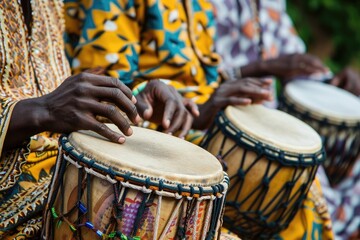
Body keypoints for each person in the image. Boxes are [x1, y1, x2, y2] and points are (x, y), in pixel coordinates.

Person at [63, 1, 334, 239]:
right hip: (152, 128)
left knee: (300, 189)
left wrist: (225, 94)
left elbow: (204, 76)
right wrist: (199, 111)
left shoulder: (201, 4)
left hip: (198, 119)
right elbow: (101, 88)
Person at [0, 1, 198, 238]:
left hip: (67, 171)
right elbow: (52, 104)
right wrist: (43, 110)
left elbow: (61, 93)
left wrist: (133, 102)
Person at [211, 0, 359, 239]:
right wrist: (264, 66)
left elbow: (294, 60)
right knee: (307, 188)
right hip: (225, 122)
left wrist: (331, 82)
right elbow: (197, 76)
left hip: (275, 119)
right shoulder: (205, 5)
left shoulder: (270, 3)